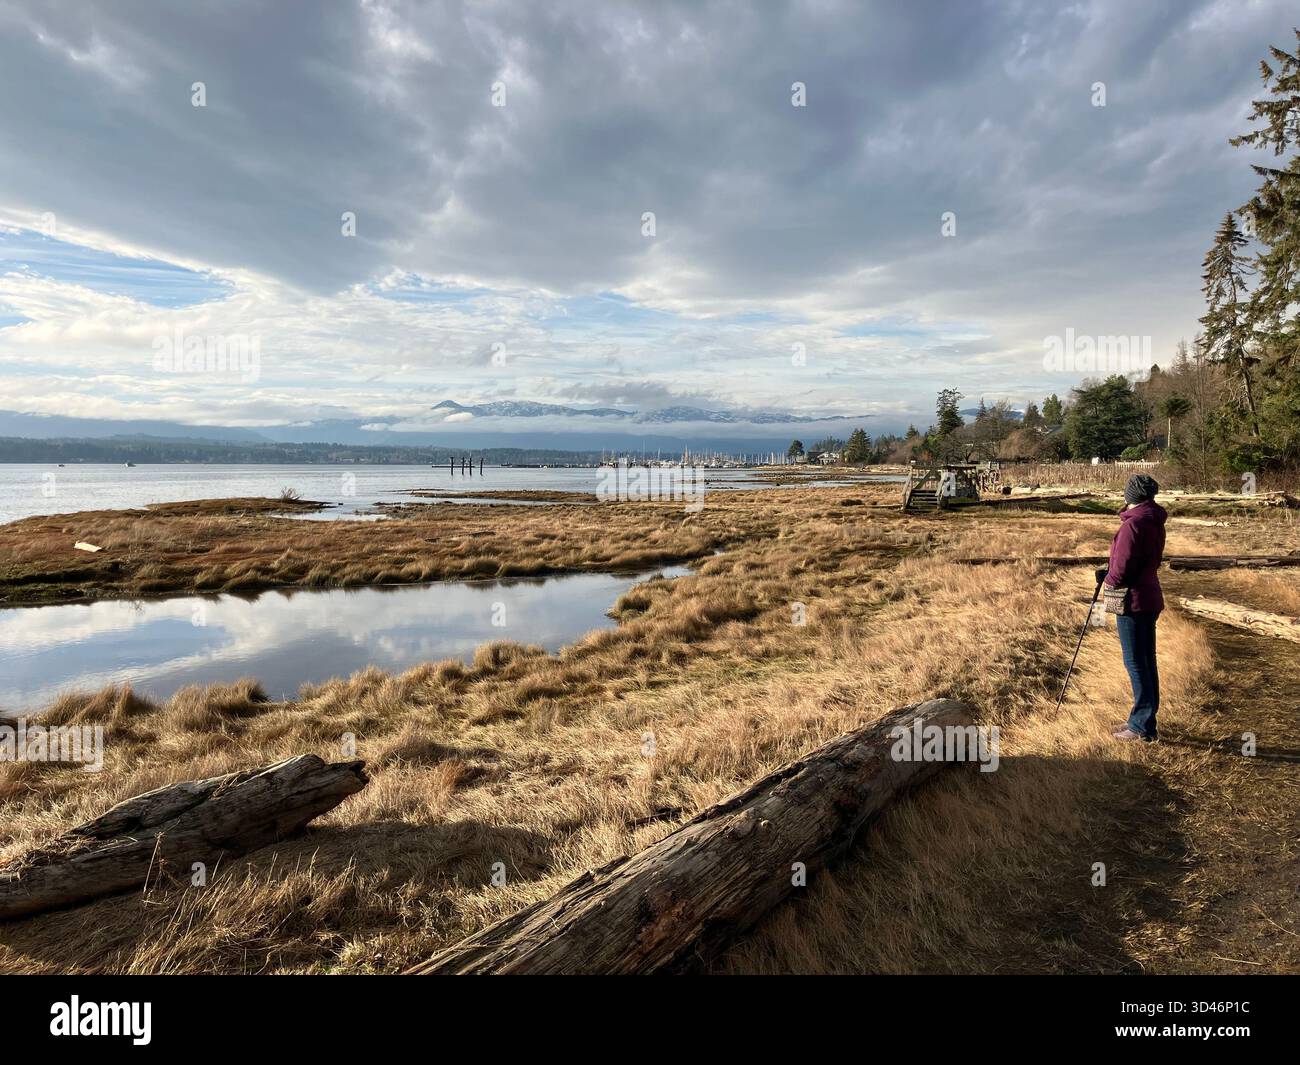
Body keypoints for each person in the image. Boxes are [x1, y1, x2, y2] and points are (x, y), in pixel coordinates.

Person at [1098, 474, 1167, 742]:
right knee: (1146, 661)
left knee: (1137, 663)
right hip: (1149, 596)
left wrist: (1108, 578)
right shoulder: (1153, 521)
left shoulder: (1133, 525)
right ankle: (1141, 721)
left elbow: (1123, 569)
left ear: (1131, 496)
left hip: (1134, 600)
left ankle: (1141, 728)